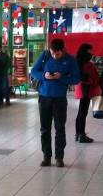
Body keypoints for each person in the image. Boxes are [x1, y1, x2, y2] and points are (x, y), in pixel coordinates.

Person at [30, 38, 80, 167]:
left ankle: (59, 157)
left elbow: (76, 79)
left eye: (57, 54)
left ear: (62, 50)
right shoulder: (45, 55)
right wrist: (44, 75)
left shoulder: (70, 60)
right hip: (44, 97)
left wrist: (61, 77)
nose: (54, 56)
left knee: (60, 128)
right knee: (44, 129)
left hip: (59, 99)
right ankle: (46, 156)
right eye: (52, 53)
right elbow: (34, 71)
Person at [74, 43, 100, 143]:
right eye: (89, 51)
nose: (91, 53)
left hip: (84, 88)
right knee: (82, 112)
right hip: (85, 88)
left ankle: (79, 134)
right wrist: (91, 81)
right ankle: (81, 134)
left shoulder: (82, 61)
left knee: (82, 112)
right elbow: (82, 76)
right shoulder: (81, 62)